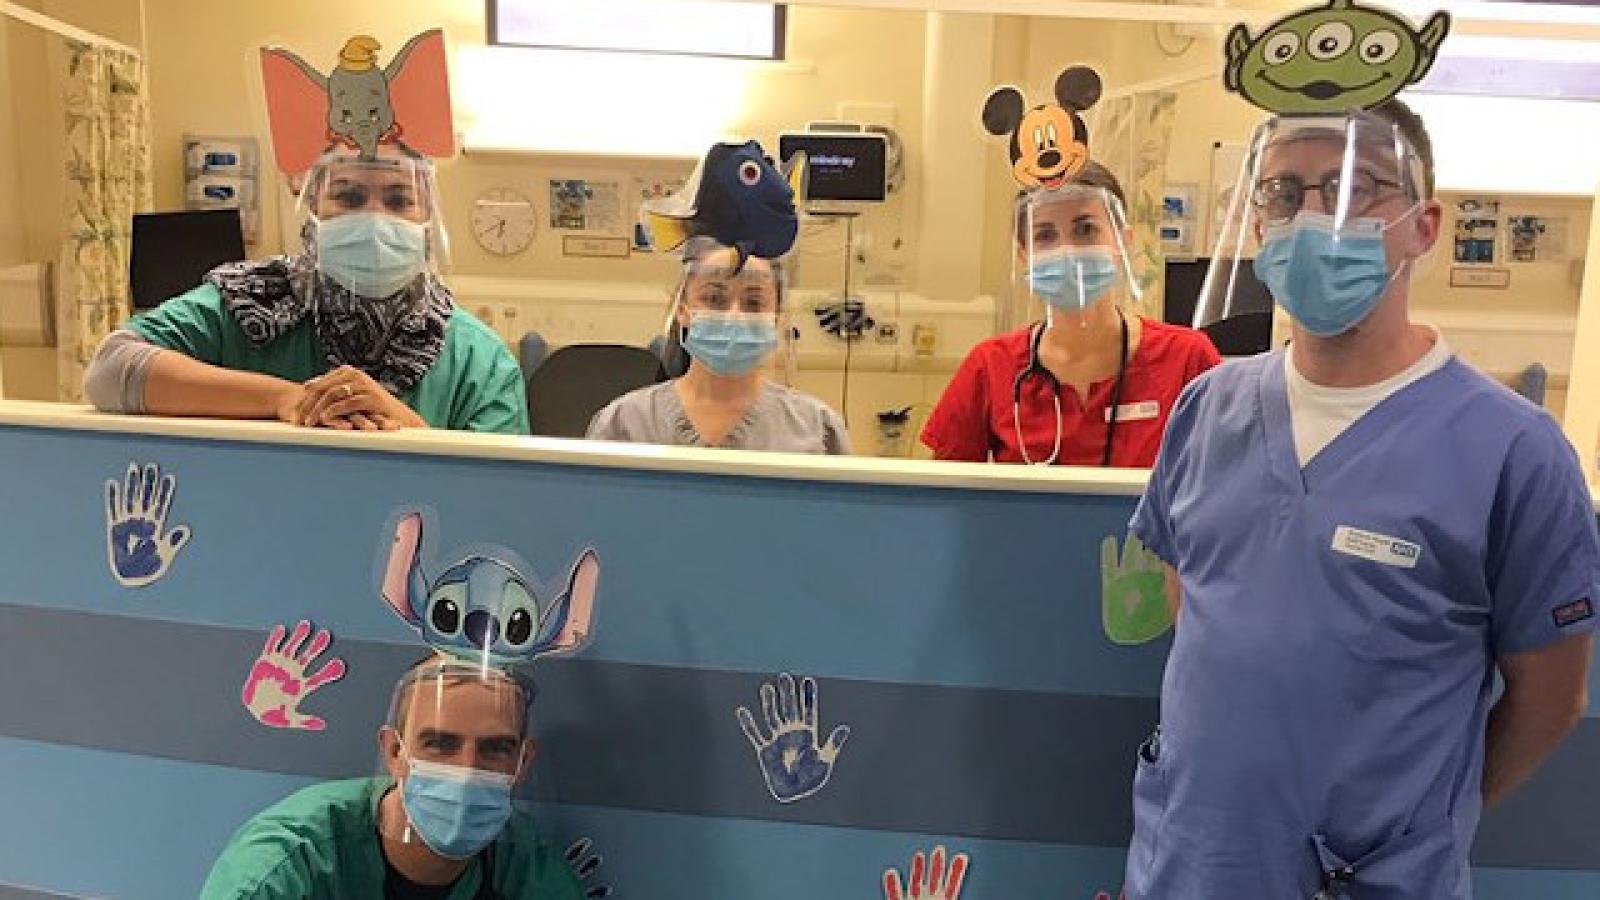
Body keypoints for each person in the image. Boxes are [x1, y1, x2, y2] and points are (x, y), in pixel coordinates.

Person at [1124, 99, 1597, 898]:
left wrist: (1422, 818)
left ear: (1424, 225)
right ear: (1259, 223)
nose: (1316, 217)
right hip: (1190, 862)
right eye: (1284, 192)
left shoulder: (1513, 451)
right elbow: (1197, 610)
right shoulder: (1208, 410)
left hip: (1367, 878)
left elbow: (1550, 697)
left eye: (1356, 187)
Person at [83, 31, 526, 434]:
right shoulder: (249, 306)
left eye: (398, 200)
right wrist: (288, 399)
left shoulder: (478, 362)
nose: (374, 219)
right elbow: (111, 370)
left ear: (428, 215)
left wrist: (398, 422)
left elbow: (502, 490)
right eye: (349, 197)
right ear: (312, 207)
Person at [201, 657, 583, 900]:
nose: (467, 772)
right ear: (395, 752)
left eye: (495, 749)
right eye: (440, 744)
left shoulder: (525, 866)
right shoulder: (289, 863)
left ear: (522, 762)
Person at [921, 162, 1220, 466]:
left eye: (1085, 230)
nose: (1067, 251)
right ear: (1024, 255)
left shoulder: (1187, 361)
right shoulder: (991, 367)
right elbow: (942, 489)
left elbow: (1228, 475)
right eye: (1045, 235)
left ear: (1123, 241)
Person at [586, 142, 849, 454]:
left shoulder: (816, 431)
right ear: (682, 307)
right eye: (714, 298)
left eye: (753, 303)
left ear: (777, 314)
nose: (734, 315)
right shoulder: (625, 425)